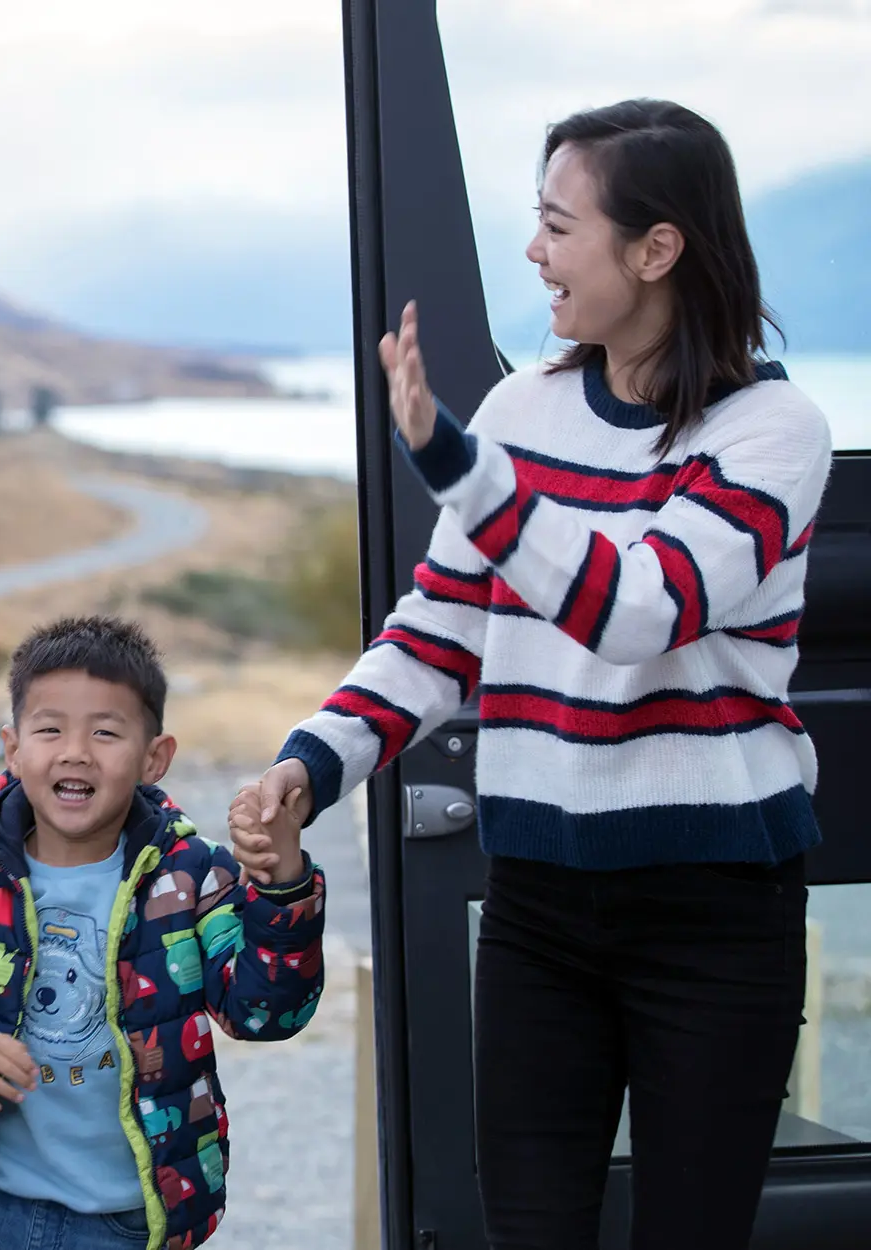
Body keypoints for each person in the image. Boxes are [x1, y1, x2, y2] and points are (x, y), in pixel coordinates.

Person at [231, 99, 832, 1250]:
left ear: (656, 249)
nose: (533, 250)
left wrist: (461, 466)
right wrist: (313, 764)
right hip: (539, 910)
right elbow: (441, 630)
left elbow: (640, 608)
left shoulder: (771, 430)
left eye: (560, 226)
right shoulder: (523, 412)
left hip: (715, 910)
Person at [0, 615, 326, 1249]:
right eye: (49, 729)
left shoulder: (191, 877)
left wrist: (283, 884)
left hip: (123, 1222)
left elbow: (266, 1013)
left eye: (105, 731)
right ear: (13, 749)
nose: (75, 751)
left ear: (154, 758)